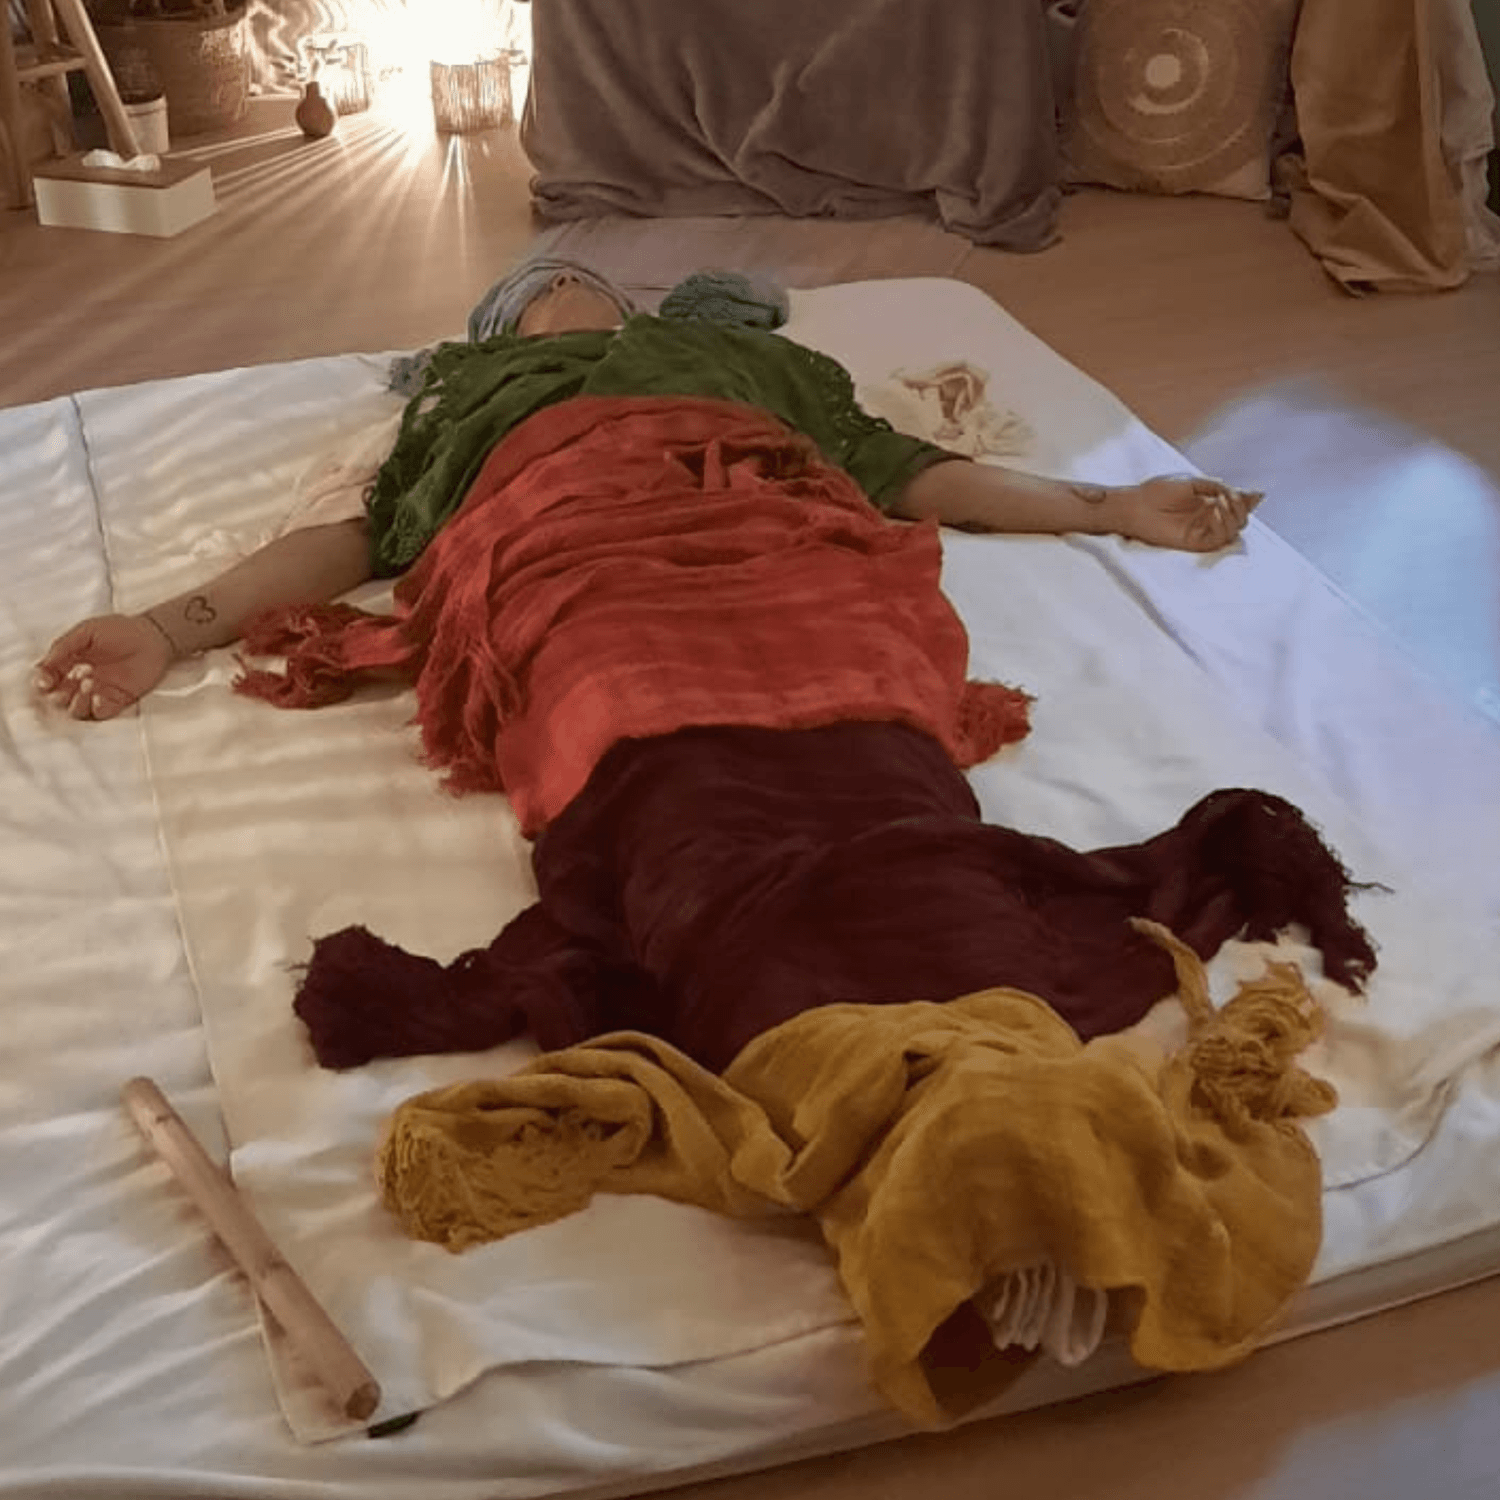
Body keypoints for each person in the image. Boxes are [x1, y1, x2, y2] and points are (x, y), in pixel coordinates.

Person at [33, 262, 1258, 723]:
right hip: (564, 547)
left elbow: (907, 473)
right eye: (534, 287)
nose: (564, 284)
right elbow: (350, 539)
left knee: (858, 674)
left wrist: (1111, 507)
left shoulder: (743, 358)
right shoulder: (458, 393)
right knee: (624, 695)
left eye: (587, 277)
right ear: (500, 332)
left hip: (766, 522)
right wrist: (167, 629)